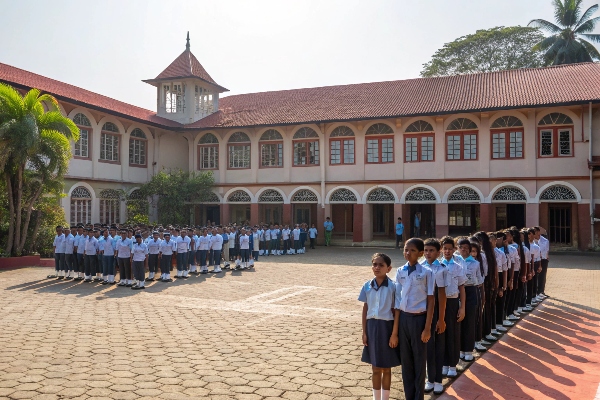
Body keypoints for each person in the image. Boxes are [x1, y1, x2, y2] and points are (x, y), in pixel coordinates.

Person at [395, 238, 435, 400]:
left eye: (412, 250)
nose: (408, 253)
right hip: (404, 318)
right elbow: (397, 299)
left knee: (419, 360)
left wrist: (427, 328)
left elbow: (431, 300)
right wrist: (395, 328)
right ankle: (408, 396)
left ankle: (419, 397)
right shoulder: (400, 271)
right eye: (406, 250)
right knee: (406, 361)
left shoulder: (427, 272)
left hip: (419, 320)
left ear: (420, 253)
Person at [359, 253, 399, 400]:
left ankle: (385, 398)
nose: (377, 267)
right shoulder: (367, 286)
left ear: (388, 268)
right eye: (374, 264)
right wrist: (364, 332)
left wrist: (394, 334)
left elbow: (397, 312)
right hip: (372, 327)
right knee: (375, 367)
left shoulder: (394, 287)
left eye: (381, 265)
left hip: (387, 327)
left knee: (386, 367)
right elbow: (365, 308)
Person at [422, 238, 447, 395]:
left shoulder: (441, 269)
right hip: (422, 309)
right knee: (427, 346)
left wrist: (441, 318)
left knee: (437, 346)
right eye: (425, 250)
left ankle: (437, 379)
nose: (428, 253)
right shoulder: (420, 267)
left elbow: (442, 295)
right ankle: (429, 378)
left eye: (431, 251)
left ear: (439, 253)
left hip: (436, 308)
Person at [439, 236, 466, 379]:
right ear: (441, 250)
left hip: (453, 302)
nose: (447, 251)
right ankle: (443, 363)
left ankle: (452, 365)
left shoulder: (458, 267)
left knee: (453, 334)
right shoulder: (437, 266)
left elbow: (462, 288)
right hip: (440, 303)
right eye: (445, 248)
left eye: (450, 249)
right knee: (441, 333)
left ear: (454, 250)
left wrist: (462, 308)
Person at [456, 237, 482, 363]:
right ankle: (460, 350)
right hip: (457, 292)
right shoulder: (454, 262)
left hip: (471, 291)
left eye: (466, 248)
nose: (464, 250)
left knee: (470, 322)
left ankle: (468, 350)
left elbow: (480, 279)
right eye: (461, 248)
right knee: (459, 321)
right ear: (458, 248)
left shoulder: (476, 263)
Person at [534, 226, 549, 299]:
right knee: (535, 276)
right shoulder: (532, 240)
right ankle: (535, 292)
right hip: (535, 260)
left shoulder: (545, 241)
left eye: (536, 232)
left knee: (542, 276)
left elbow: (545, 251)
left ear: (538, 232)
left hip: (543, 260)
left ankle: (541, 291)